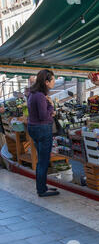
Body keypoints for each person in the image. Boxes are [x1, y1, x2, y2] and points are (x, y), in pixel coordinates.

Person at [26, 69, 59, 197]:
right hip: (42, 129)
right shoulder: (40, 96)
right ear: (46, 82)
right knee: (43, 161)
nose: (54, 82)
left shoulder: (32, 94)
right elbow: (43, 116)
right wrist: (51, 107)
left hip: (34, 128)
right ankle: (41, 190)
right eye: (53, 80)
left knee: (42, 159)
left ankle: (42, 186)